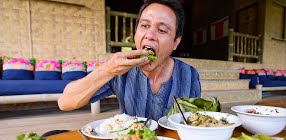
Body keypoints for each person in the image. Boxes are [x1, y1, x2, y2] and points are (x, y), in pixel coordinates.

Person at [58, 0, 201, 120]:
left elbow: (193, 120)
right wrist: (107, 70)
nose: (149, 35)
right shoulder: (120, 70)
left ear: (176, 42)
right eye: (144, 26)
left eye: (162, 30)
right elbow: (65, 103)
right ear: (135, 33)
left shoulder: (189, 75)